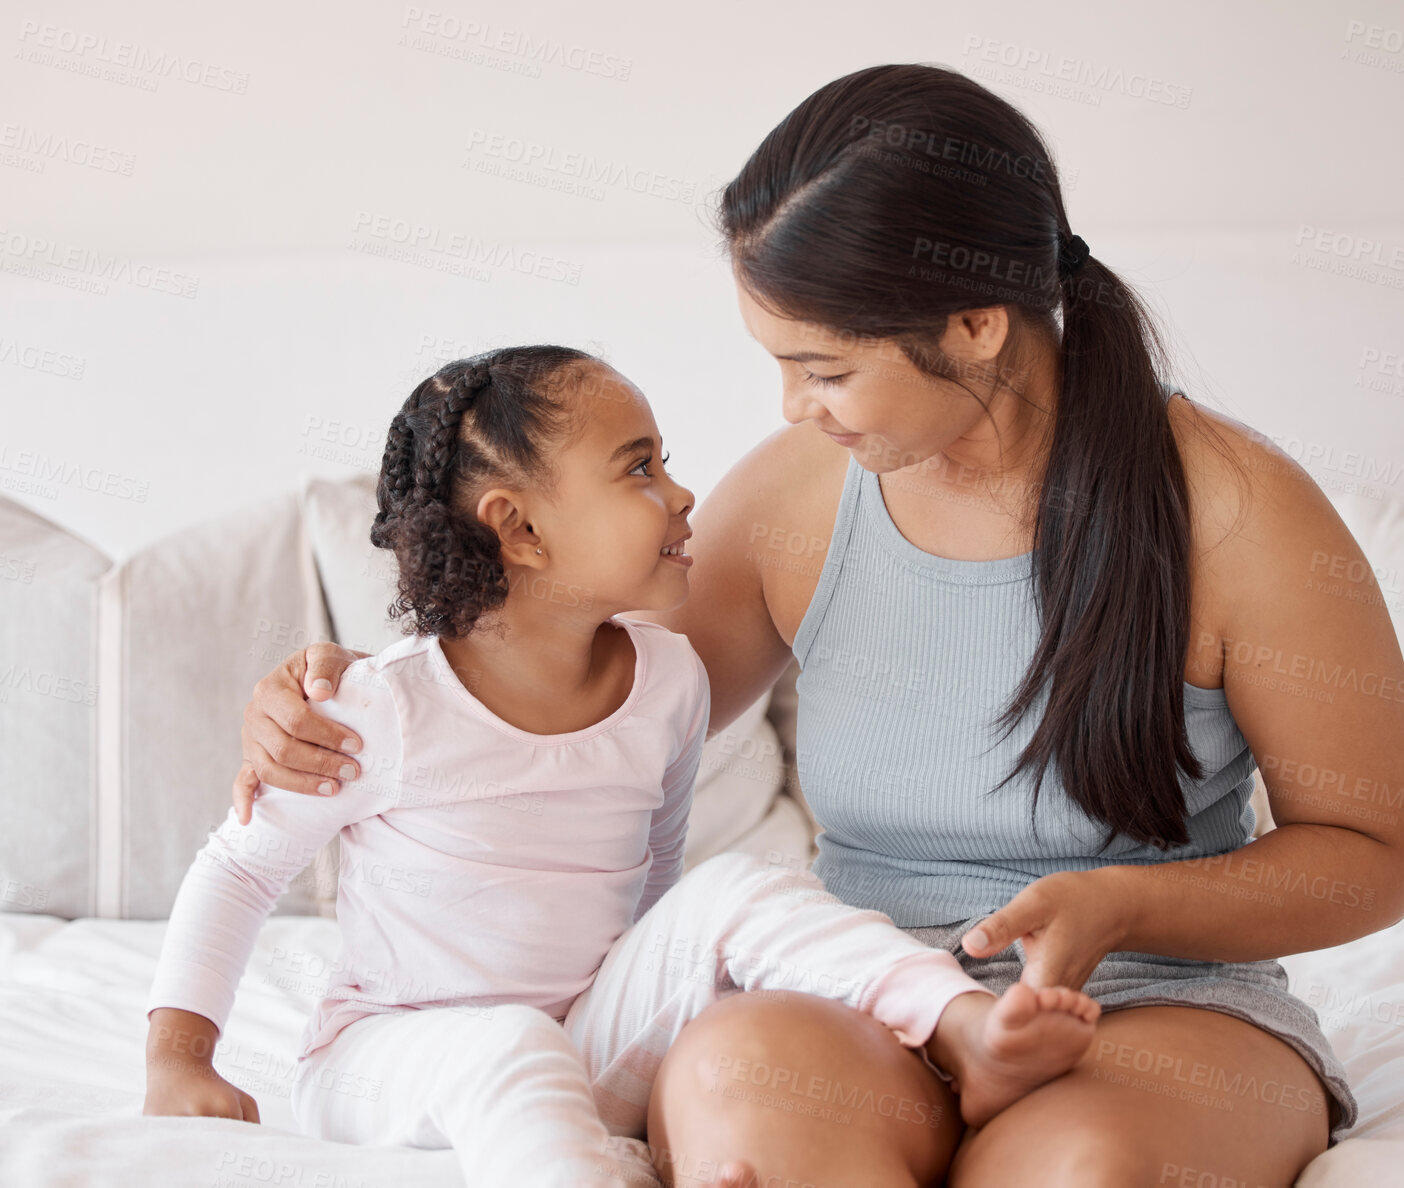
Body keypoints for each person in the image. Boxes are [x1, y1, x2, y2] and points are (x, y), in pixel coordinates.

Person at [232, 65, 1404, 1187]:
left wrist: (1123, 903)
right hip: (874, 991)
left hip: (1161, 1002)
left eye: (825, 369)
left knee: (1075, 1168)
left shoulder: (1235, 508)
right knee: (735, 1098)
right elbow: (557, 683)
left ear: (974, 324)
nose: (794, 407)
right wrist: (344, 695)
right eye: (780, 363)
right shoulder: (802, 495)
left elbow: (1372, 853)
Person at [142, 345, 1103, 1188]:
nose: (684, 495)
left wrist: (674, 1000)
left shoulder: (670, 681)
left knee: (735, 887)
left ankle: (959, 1026)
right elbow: (238, 869)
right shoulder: (382, 707)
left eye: (666, 461)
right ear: (518, 528)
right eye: (639, 469)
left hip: (583, 1032)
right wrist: (181, 1061)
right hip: (384, 1055)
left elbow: (657, 874)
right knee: (510, 1049)